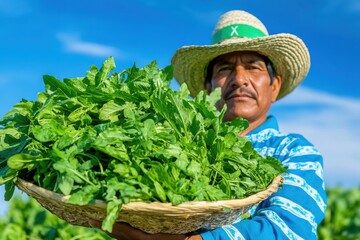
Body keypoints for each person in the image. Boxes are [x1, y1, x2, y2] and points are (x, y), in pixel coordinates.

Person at [89, 10, 327, 240]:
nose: (239, 79)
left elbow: (291, 232)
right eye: (225, 69)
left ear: (274, 86)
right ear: (207, 88)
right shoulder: (181, 141)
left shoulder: (292, 151)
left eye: (253, 67)